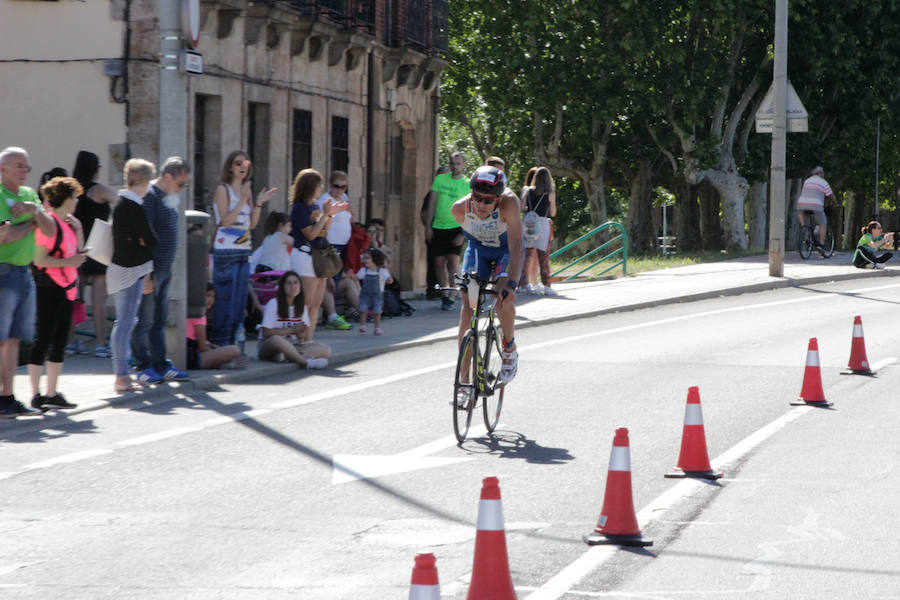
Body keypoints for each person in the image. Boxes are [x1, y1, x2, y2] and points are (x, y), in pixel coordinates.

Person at [451, 165, 524, 396]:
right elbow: (469, 243)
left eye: (488, 200)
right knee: (467, 308)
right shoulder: (459, 210)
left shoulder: (510, 204)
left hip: (504, 251)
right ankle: (464, 383)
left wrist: (511, 283)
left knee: (502, 298)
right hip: (479, 251)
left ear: (499, 199)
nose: (482, 205)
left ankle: (509, 347)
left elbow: (516, 245)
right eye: (477, 198)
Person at [0, 147, 56, 417]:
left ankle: (7, 396)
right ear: (3, 169)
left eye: (26, 167)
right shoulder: (0, 196)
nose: (24, 171)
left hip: (24, 272)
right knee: (2, 338)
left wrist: (34, 210)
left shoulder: (29, 195)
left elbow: (51, 229)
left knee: (13, 339)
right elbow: (5, 236)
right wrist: (32, 223)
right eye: (18, 166)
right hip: (3, 271)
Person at [131, 157, 192, 384]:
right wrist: (146, 275)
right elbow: (142, 238)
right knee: (144, 321)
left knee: (159, 320)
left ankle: (160, 364)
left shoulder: (168, 198)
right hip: (151, 271)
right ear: (167, 177)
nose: (182, 189)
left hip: (164, 270)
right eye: (181, 184)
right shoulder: (151, 198)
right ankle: (143, 366)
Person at [28, 176, 86, 410]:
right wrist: (70, 261)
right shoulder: (50, 225)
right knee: (43, 339)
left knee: (60, 341)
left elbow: (77, 252)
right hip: (49, 288)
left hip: (65, 290)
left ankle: (52, 393)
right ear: (66, 198)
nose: (76, 201)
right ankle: (35, 394)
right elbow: (40, 259)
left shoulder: (68, 225)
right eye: (75, 197)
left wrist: (79, 228)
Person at [210, 150, 277, 346]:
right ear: (230, 167)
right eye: (237, 163)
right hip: (226, 251)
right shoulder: (223, 189)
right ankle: (222, 343)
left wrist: (257, 203)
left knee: (239, 302)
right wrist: (242, 199)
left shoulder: (245, 192)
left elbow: (251, 225)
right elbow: (226, 221)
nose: (242, 167)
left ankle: (235, 345)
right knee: (225, 300)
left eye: (245, 164)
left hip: (244, 250)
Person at [108, 158, 158, 393]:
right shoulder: (133, 206)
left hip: (124, 269)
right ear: (145, 181)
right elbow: (151, 240)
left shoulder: (122, 203)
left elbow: (144, 240)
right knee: (125, 323)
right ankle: (121, 376)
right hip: (129, 271)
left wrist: (142, 242)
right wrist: (144, 244)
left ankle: (122, 374)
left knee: (126, 323)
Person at [289, 168, 349, 341]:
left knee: (316, 303)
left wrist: (329, 215)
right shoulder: (299, 208)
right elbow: (310, 234)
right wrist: (326, 214)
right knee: (305, 302)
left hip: (318, 257)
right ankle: (298, 338)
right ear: (310, 186)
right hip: (305, 257)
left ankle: (308, 339)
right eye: (318, 185)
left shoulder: (315, 205)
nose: (321, 188)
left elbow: (324, 230)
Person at [72, 150, 116, 357]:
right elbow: (121, 201)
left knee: (74, 298)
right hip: (98, 248)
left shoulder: (73, 190)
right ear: (94, 168)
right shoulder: (98, 190)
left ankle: (71, 341)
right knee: (99, 301)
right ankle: (100, 343)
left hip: (77, 248)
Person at [256, 270, 331, 369]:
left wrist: (301, 336)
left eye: (296, 283)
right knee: (277, 339)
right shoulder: (273, 303)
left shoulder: (301, 306)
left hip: (292, 344)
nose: (293, 286)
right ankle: (305, 362)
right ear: (282, 286)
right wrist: (291, 330)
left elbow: (302, 337)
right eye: (289, 283)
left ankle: (286, 356)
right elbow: (265, 332)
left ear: (300, 286)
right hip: (268, 345)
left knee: (326, 349)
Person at [424, 152, 468, 310]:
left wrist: (463, 233)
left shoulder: (467, 184)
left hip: (456, 226)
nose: (454, 167)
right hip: (438, 226)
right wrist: (428, 226)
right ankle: (445, 293)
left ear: (464, 165)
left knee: (453, 261)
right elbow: (432, 203)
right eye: (452, 163)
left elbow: (469, 211)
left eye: (457, 164)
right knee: (439, 262)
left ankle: (452, 295)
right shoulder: (440, 179)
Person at [314, 171, 354, 331]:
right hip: (331, 244)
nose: (340, 190)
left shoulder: (344, 198)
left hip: (344, 245)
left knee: (337, 278)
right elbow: (321, 222)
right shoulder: (324, 200)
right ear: (331, 185)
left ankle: (331, 313)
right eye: (337, 186)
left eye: (344, 187)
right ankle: (330, 315)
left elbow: (350, 217)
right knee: (330, 279)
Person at [187, 284, 247, 369]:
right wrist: (217, 352)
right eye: (207, 295)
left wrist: (214, 347)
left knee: (220, 349)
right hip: (192, 360)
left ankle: (226, 363)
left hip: (191, 356)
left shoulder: (192, 311)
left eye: (213, 297)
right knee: (235, 350)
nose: (210, 300)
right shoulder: (199, 316)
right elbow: (202, 348)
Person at [521, 167, 558, 296]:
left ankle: (523, 284)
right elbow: (552, 212)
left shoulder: (527, 191)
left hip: (529, 223)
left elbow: (522, 208)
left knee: (527, 256)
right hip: (542, 224)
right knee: (543, 257)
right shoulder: (550, 193)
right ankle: (547, 286)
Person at [796, 166, 837, 253]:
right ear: (821, 174)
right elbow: (831, 195)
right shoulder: (823, 182)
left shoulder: (807, 181)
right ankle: (821, 245)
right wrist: (835, 203)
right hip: (816, 205)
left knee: (801, 214)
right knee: (823, 223)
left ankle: (804, 229)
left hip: (801, 204)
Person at [356, 248, 393, 335]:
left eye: (367, 258)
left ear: (375, 259)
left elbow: (390, 281)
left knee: (377, 311)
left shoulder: (382, 271)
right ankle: (363, 325)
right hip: (365, 294)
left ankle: (377, 327)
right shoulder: (363, 270)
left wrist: (389, 279)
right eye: (364, 258)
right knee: (363, 309)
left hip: (377, 295)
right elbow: (357, 277)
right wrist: (350, 276)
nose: (365, 260)